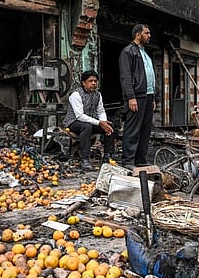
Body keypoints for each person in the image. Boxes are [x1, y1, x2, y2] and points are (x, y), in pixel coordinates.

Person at [119, 24, 156, 170]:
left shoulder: (144, 53)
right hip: (136, 96)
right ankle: (128, 161)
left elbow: (151, 76)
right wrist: (131, 97)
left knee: (145, 130)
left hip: (147, 96)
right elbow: (126, 76)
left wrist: (153, 98)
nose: (149, 35)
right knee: (132, 129)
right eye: (147, 33)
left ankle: (140, 160)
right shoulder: (128, 52)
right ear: (138, 35)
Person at [63, 70, 115, 171]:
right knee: (87, 127)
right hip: (73, 122)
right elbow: (80, 116)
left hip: (90, 121)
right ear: (83, 82)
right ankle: (85, 160)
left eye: (95, 81)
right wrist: (99, 123)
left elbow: (101, 111)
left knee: (110, 127)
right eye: (90, 81)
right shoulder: (76, 95)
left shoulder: (98, 95)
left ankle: (107, 157)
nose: (93, 83)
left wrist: (104, 123)